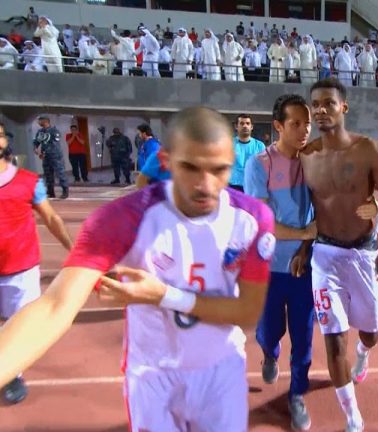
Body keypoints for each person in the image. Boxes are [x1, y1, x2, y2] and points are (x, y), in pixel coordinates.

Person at [0, 107, 275, 432]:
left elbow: (248, 313)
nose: (206, 184)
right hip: (153, 376)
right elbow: (54, 306)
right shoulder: (122, 219)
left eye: (219, 170)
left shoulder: (252, 219)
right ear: (165, 161)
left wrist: (162, 295)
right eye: (190, 167)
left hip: (222, 370)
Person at [300, 78, 378, 432]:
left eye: (328, 103)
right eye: (315, 104)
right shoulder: (306, 156)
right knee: (333, 339)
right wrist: (303, 247)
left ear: (344, 107)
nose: (320, 110)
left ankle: (364, 352)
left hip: (364, 255)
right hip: (325, 257)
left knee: (370, 333)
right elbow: (303, 210)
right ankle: (353, 418)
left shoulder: (369, 150)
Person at [244, 95, 316, 430]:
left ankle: (297, 394)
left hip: (305, 266)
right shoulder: (259, 165)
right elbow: (264, 222)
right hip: (270, 267)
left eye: (308, 124)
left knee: (303, 336)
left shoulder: (313, 161)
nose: (304, 130)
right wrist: (305, 232)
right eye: (296, 124)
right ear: (278, 126)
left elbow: (323, 210)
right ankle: (269, 352)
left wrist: (307, 244)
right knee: (270, 330)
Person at [0, 122, 73, 404]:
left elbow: (51, 218)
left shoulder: (28, 181)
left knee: (20, 325)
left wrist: (73, 250)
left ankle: (12, 374)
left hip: (21, 268)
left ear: (6, 142)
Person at [33, 115, 69, 199]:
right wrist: (35, 148)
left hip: (55, 155)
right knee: (48, 174)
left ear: (45, 121)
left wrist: (45, 152)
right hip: (46, 157)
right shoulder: (40, 131)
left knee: (60, 173)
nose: (38, 122)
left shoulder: (54, 131)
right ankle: (50, 191)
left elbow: (55, 144)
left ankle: (65, 190)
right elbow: (36, 141)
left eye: (40, 120)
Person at [230, 114, 265, 192]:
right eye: (242, 123)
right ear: (236, 126)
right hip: (232, 187)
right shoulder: (228, 144)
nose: (245, 126)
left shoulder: (259, 146)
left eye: (247, 123)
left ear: (251, 127)